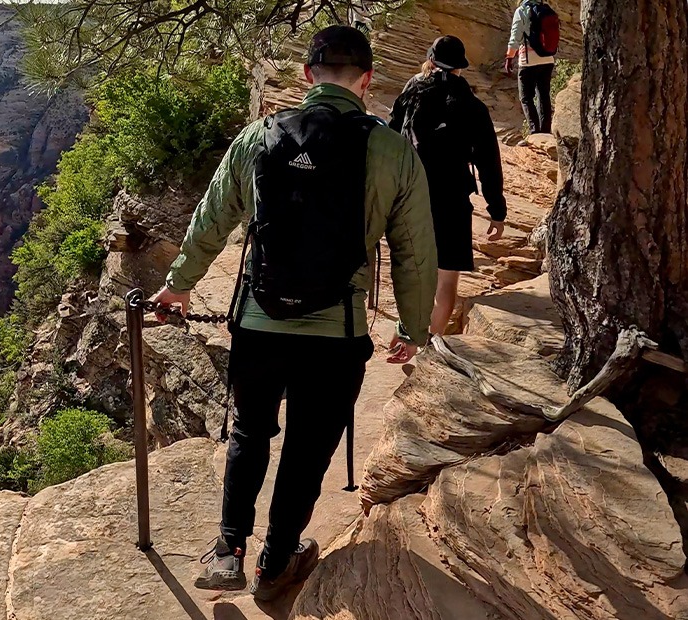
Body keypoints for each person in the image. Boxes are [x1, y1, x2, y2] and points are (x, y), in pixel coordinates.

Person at [149, 26, 437, 601]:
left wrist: (179, 285)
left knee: (251, 431)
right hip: (339, 332)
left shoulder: (259, 137)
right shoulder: (392, 149)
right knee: (308, 447)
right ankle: (276, 560)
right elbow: (415, 251)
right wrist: (413, 327)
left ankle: (229, 548)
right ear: (368, 80)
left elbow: (212, 219)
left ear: (308, 76)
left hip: (258, 321)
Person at [390, 36, 507, 336]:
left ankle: (408, 336)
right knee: (446, 281)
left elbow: (390, 145)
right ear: (460, 67)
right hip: (453, 202)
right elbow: (488, 161)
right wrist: (497, 210)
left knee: (413, 275)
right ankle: (432, 347)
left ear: (429, 60)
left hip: (411, 199)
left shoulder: (410, 97)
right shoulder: (472, 106)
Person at [506, 0, 558, 137]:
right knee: (543, 95)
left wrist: (509, 58)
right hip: (548, 59)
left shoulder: (522, 11)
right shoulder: (546, 9)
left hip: (528, 61)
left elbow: (515, 37)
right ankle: (546, 130)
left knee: (526, 97)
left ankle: (535, 131)